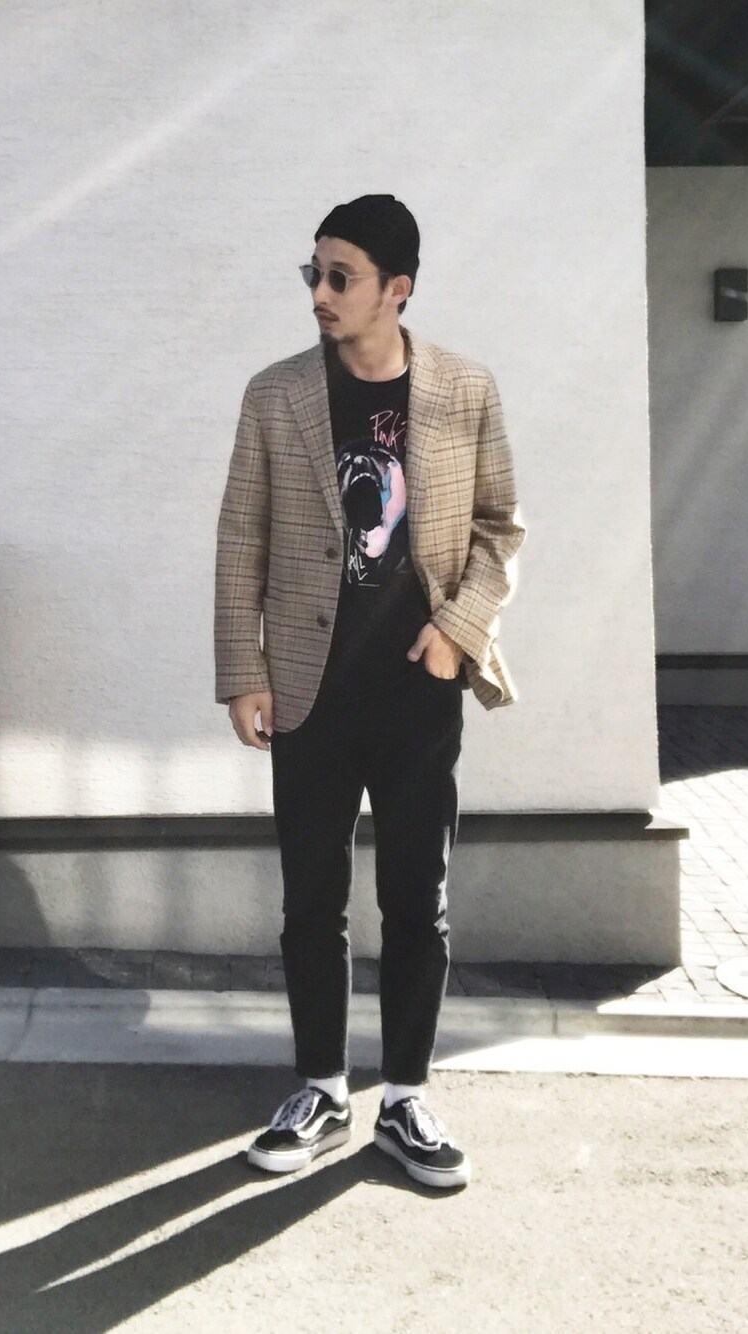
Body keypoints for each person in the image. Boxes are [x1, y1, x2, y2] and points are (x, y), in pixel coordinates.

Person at [214, 194, 525, 1190]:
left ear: (397, 288)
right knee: (311, 899)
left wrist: (456, 632)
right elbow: (240, 535)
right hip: (307, 689)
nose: (320, 291)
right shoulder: (276, 395)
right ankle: (319, 1088)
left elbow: (499, 529)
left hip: (416, 691)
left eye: (339, 276)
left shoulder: (464, 389)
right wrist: (243, 670)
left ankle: (405, 1098)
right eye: (313, 272)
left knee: (416, 901)